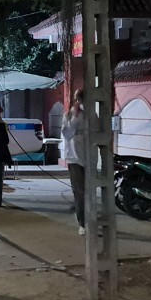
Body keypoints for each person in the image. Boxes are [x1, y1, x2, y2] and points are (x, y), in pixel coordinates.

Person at [62, 90, 87, 235]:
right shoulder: (68, 115)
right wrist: (75, 117)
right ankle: (82, 222)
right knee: (79, 191)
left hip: (88, 157)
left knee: (88, 191)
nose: (80, 102)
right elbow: (67, 133)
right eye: (78, 99)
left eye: (81, 99)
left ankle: (86, 216)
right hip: (74, 157)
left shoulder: (90, 114)